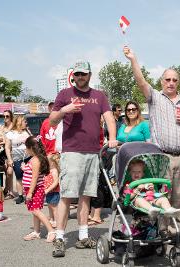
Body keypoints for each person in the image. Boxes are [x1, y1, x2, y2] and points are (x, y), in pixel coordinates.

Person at [123, 46, 180, 246]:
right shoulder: (155, 98)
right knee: (161, 195)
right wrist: (133, 59)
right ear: (162, 82)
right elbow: (140, 82)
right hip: (163, 156)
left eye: (175, 80)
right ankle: (163, 232)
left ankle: (178, 233)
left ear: (179, 82)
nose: (171, 83)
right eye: (168, 79)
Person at [49, 60, 118, 257]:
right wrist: (65, 110)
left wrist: (112, 138)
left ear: (89, 75)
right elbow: (52, 120)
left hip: (92, 151)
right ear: (73, 76)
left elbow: (109, 117)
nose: (80, 77)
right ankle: (60, 238)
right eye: (77, 74)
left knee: (86, 195)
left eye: (84, 74)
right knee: (67, 195)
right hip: (71, 151)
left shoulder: (99, 96)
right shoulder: (65, 94)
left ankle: (83, 236)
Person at [21, 136, 55, 242]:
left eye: (26, 148)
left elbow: (35, 177)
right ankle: (36, 231)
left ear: (31, 148)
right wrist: (24, 168)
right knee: (34, 211)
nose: (25, 150)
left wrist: (30, 192)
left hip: (35, 189)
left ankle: (51, 231)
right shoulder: (34, 159)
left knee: (36, 211)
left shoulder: (35, 160)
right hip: (32, 189)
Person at [5, 115, 31, 204]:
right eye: (24, 121)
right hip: (17, 158)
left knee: (29, 176)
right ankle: (20, 196)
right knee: (19, 177)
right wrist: (10, 159)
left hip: (29, 157)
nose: (26, 123)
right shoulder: (10, 134)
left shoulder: (27, 131)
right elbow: (7, 147)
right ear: (19, 122)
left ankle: (29, 195)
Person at [0, 110, 14, 199]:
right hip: (4, 152)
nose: (5, 118)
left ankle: (8, 190)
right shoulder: (2, 127)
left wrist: (3, 140)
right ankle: (8, 191)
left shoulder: (14, 126)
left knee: (10, 172)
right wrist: (0, 140)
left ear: (11, 117)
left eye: (7, 116)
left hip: (13, 151)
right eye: (4, 116)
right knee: (7, 171)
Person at [44, 153, 60, 228]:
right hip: (49, 192)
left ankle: (57, 221)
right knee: (50, 206)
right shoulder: (49, 170)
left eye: (47, 161)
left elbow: (56, 182)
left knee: (54, 208)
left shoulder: (54, 171)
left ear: (52, 162)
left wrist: (48, 189)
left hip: (53, 192)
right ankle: (52, 219)